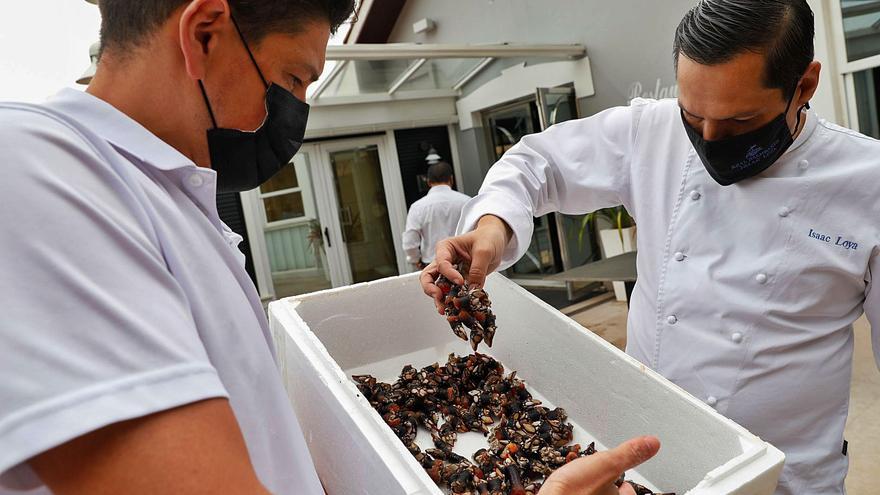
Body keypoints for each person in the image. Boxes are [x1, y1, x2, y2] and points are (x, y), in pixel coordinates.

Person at [0, 1, 658, 494]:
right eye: (293, 78)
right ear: (203, 33)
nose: (298, 109)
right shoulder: (35, 172)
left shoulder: (178, 201)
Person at [421, 1, 880, 494]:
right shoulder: (651, 131)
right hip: (642, 467)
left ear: (804, 86)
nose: (708, 140)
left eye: (740, 122)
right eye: (693, 116)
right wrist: (492, 229)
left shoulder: (867, 184)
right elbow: (536, 164)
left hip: (781, 481)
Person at [402, 161, 471, 270]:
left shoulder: (417, 207)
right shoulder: (467, 201)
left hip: (434, 266)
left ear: (428, 182)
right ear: (451, 179)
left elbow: (410, 240)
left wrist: (415, 259)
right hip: (464, 263)